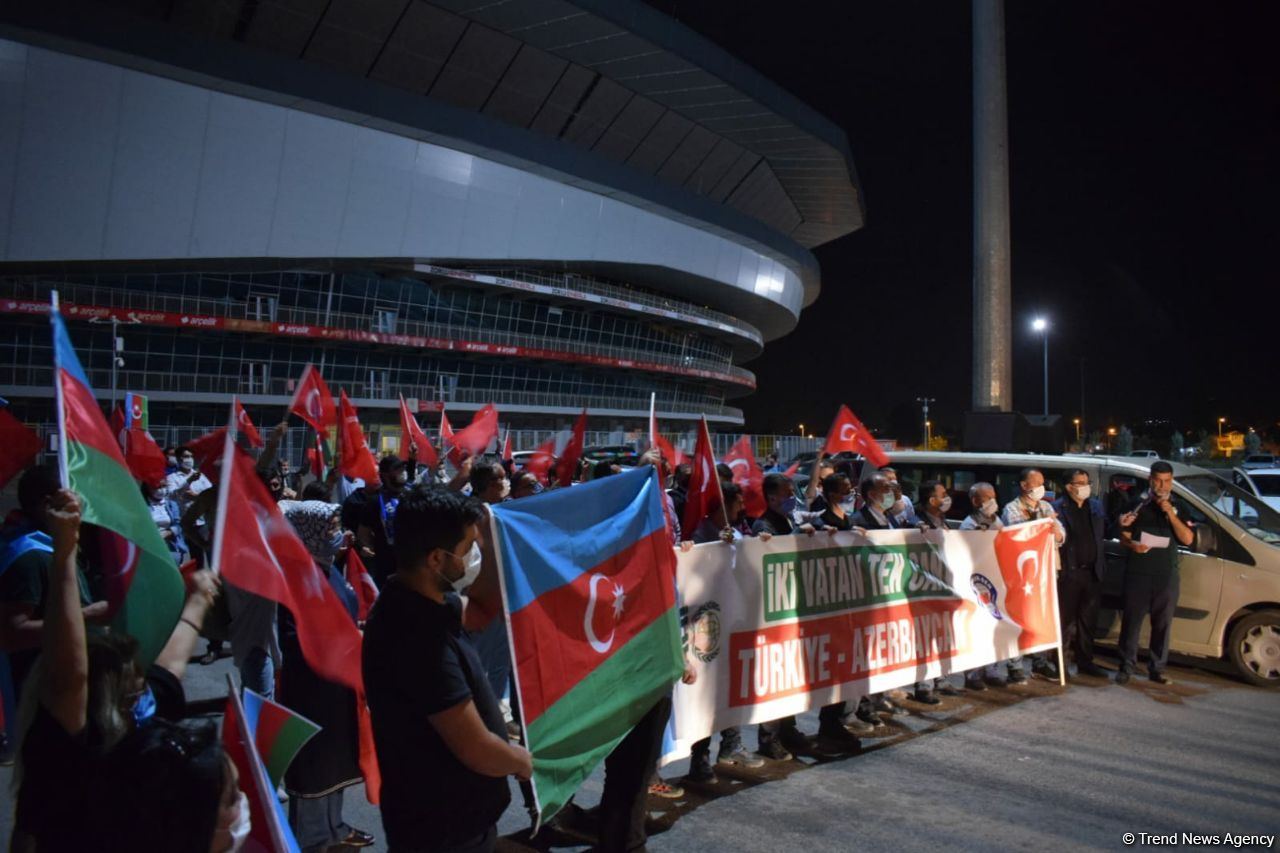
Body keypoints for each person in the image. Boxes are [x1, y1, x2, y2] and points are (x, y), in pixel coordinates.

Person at [363, 485, 532, 853]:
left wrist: (487, 534)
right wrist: (521, 760)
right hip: (442, 830)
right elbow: (476, 747)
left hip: (460, 822)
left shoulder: (430, 601)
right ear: (437, 559)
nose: (473, 556)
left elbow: (485, 605)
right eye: (468, 548)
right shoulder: (415, 636)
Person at [279, 501, 375, 853]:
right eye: (331, 528)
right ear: (309, 533)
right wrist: (343, 642)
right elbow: (295, 641)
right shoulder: (297, 579)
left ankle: (334, 828)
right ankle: (311, 840)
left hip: (338, 689)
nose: (339, 534)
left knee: (337, 762)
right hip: (312, 694)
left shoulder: (326, 568)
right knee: (314, 767)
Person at [750, 473, 855, 758]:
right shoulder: (764, 525)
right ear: (772, 498)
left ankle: (787, 728)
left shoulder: (788, 520)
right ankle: (768, 737)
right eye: (786, 493)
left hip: (792, 606)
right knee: (775, 676)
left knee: (790, 676)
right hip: (773, 612)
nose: (791, 498)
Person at [0, 465, 107, 705]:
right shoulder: (29, 556)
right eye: (76, 493)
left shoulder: (53, 544)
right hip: (42, 692)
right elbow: (12, 634)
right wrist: (87, 616)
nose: (83, 502)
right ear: (49, 503)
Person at [685, 484, 769, 782]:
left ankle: (731, 747)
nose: (741, 509)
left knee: (731, 687)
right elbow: (693, 569)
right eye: (736, 504)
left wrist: (759, 544)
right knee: (707, 694)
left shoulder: (737, 532)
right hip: (708, 625)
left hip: (734, 621)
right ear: (723, 505)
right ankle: (700, 759)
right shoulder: (700, 534)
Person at [1115, 461, 1194, 685]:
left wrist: (1170, 512)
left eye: (1167, 481)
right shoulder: (1136, 504)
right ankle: (1126, 665)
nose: (1163, 485)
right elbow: (1123, 536)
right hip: (1138, 573)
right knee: (1131, 621)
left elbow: (1187, 538)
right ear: (1151, 480)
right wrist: (1133, 545)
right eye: (1158, 480)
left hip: (1166, 575)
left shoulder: (1178, 505)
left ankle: (1157, 668)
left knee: (1163, 623)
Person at [1000, 468, 1067, 682]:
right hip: (1023, 574)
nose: (1041, 487)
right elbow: (1017, 534)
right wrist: (1040, 523)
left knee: (1042, 616)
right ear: (1024, 485)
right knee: (1019, 618)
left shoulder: (1047, 506)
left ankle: (1040, 661)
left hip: (1046, 572)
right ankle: (1015, 664)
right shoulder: (1012, 508)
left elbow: (1061, 535)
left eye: (1042, 482)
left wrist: (1055, 530)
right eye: (1036, 482)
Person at [1053, 469, 1111, 679]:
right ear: (1069, 486)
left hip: (1092, 572)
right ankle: (1061, 664)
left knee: (1088, 621)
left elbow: (1105, 530)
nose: (1086, 486)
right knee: (1065, 622)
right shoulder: (1058, 508)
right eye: (1080, 483)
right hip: (1069, 574)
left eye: (1087, 482)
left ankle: (1085, 661)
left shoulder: (1094, 506)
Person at [911, 480, 963, 704]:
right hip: (926, 588)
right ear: (932, 500)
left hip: (945, 586)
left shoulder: (941, 520)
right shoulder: (916, 521)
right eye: (943, 494)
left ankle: (941, 678)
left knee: (943, 634)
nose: (947, 498)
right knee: (925, 636)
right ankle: (924, 685)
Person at [959, 482, 1004, 690]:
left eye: (993, 496)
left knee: (995, 627)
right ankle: (973, 674)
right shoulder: (969, 524)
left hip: (995, 581)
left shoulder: (997, 520)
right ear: (975, 501)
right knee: (975, 629)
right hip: (977, 583)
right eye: (986, 497)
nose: (992, 501)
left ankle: (992, 669)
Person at [357, 456, 411, 586]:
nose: (403, 471)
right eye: (397, 469)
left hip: (411, 564)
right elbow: (363, 531)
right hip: (386, 566)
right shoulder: (374, 501)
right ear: (386, 475)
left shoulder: (413, 495)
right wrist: (369, 546)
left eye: (403, 468)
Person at [164, 447, 213, 566]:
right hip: (188, 523)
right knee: (196, 559)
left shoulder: (201, 476)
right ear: (179, 459)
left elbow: (211, 494)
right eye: (186, 456)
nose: (189, 459)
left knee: (212, 556)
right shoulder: (172, 478)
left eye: (191, 456)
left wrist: (197, 496)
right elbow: (172, 495)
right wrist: (188, 481)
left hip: (204, 523)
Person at [143, 481, 188, 564]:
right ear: (147, 488)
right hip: (151, 547)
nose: (161, 490)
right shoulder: (143, 505)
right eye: (157, 487)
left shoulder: (171, 504)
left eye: (163, 486)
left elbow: (179, 525)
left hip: (171, 547)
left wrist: (169, 532)